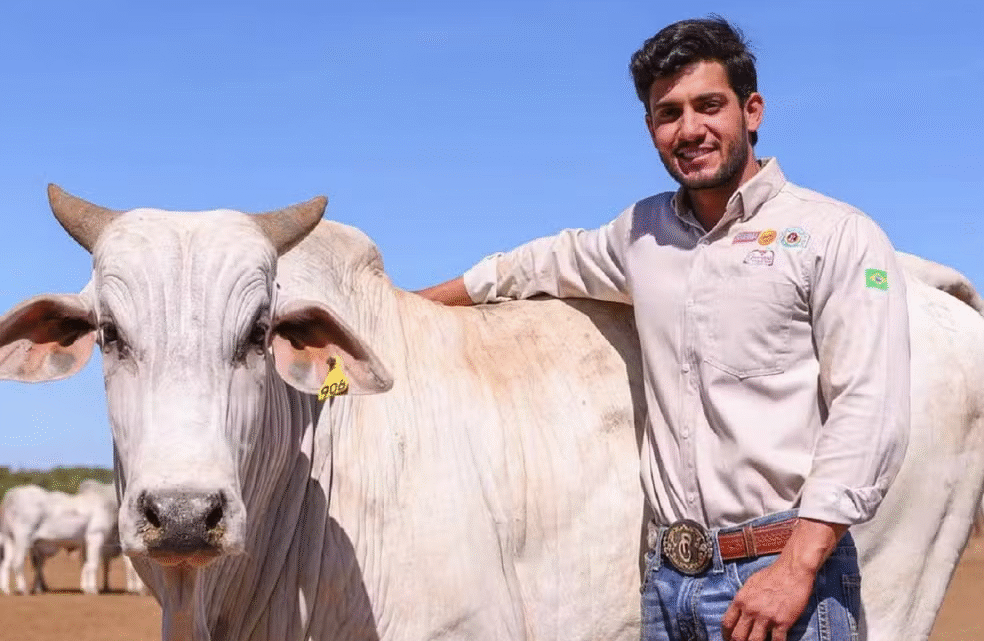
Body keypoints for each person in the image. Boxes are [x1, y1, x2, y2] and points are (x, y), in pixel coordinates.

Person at [415, 16, 909, 641]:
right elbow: (530, 266)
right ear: (651, 129)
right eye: (668, 113)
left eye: (709, 106)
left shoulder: (834, 234)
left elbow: (869, 408)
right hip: (668, 584)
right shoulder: (641, 235)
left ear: (751, 111)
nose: (690, 129)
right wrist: (401, 304)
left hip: (783, 576)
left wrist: (796, 566)